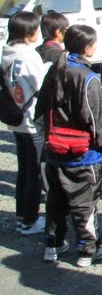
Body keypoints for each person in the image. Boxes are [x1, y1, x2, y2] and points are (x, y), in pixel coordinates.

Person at [36, 25, 102, 266]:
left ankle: (53, 244)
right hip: (83, 154)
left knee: (55, 202)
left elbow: (41, 109)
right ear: (86, 47)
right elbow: (95, 118)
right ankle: (88, 249)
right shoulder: (88, 78)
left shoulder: (55, 69)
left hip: (54, 150)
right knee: (84, 204)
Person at [3, 12, 48, 235]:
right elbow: (41, 85)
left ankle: (22, 216)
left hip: (15, 119)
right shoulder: (29, 56)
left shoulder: (6, 53)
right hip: (32, 121)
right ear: (29, 32)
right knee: (35, 172)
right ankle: (30, 220)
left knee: (24, 170)